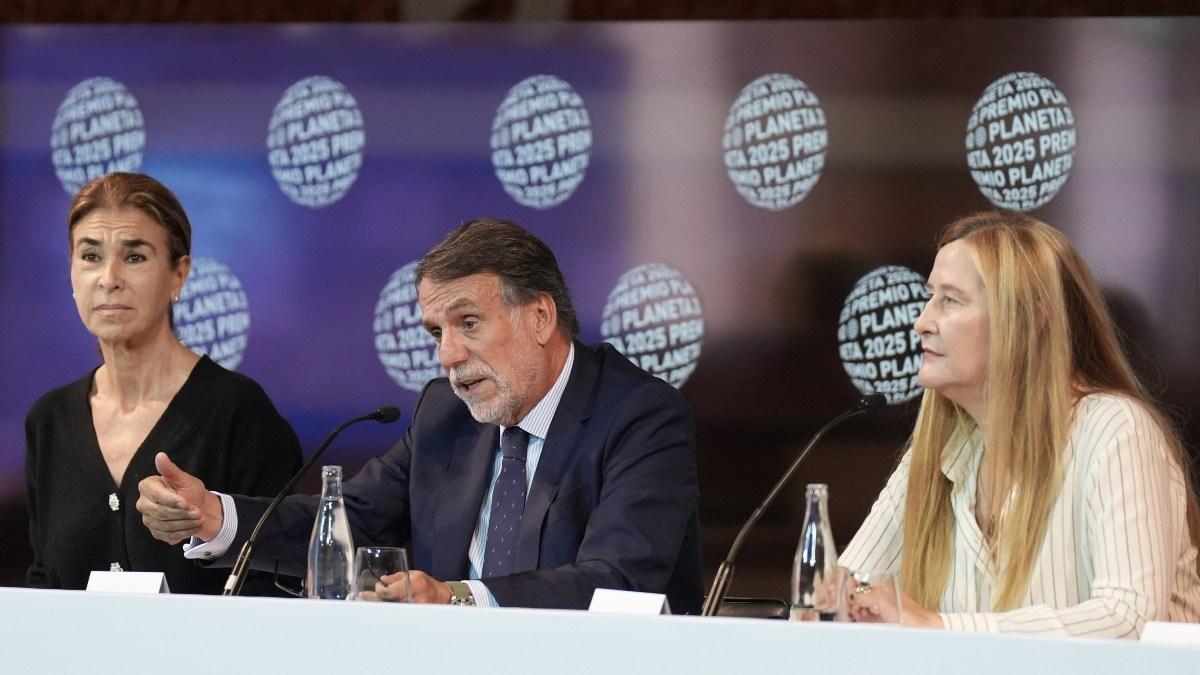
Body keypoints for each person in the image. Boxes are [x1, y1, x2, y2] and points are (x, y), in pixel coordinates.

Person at [137, 218, 703, 612]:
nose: (448, 355)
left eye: (469, 324)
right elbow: (348, 521)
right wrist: (215, 517)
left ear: (539, 316)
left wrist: (456, 599)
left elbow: (616, 584)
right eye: (437, 332)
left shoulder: (640, 417)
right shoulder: (444, 413)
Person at [839, 211, 1200, 638]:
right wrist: (851, 602)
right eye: (929, 297)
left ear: (1030, 319)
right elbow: (845, 587)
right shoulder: (939, 452)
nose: (922, 322)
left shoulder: (1115, 430)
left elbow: (1130, 619)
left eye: (950, 300)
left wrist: (938, 625)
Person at [25, 172, 303, 595]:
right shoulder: (50, 420)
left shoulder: (238, 412)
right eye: (90, 256)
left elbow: (277, 586)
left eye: (134, 257)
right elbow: (45, 583)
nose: (109, 278)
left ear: (178, 275)